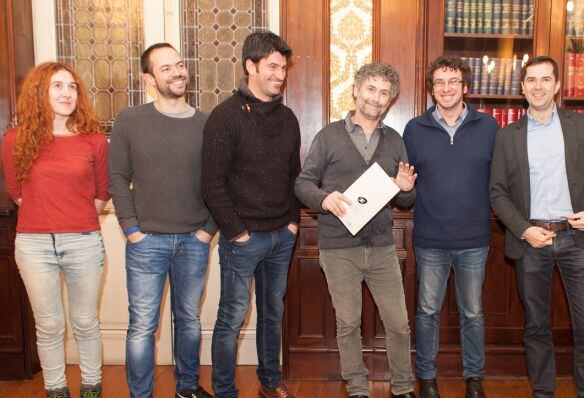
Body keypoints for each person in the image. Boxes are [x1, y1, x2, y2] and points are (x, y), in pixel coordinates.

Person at [489, 55, 584, 398]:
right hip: (532, 241)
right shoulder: (507, 136)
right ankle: (543, 392)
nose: (538, 86)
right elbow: (497, 192)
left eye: (545, 80)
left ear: (557, 86)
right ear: (523, 87)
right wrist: (523, 229)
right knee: (536, 327)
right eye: (531, 80)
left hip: (577, 237)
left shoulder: (580, 126)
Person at [294, 62, 417, 398]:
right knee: (348, 323)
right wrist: (324, 199)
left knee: (398, 324)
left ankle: (403, 388)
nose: (376, 98)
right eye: (371, 89)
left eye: (384, 92)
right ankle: (358, 388)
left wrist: (405, 188)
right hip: (337, 248)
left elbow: (406, 201)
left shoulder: (394, 141)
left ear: (391, 100)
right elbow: (303, 184)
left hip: (381, 247)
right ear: (356, 90)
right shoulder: (328, 136)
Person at [109, 43, 216, 398]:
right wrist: (131, 229)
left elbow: (219, 182)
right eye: (166, 68)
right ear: (149, 78)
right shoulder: (130, 120)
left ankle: (187, 387)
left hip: (193, 241)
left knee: (189, 321)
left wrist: (207, 231)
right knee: (142, 326)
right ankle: (141, 395)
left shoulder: (206, 124)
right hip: (146, 242)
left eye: (180, 64)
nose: (177, 72)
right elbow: (117, 178)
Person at [201, 29, 300, 398]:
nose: (280, 74)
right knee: (231, 318)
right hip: (243, 239)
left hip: (281, 236)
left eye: (284, 67)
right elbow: (212, 184)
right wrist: (237, 233)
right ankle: (225, 391)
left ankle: (270, 383)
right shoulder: (225, 117)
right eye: (272, 66)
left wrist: (291, 224)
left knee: (272, 316)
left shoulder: (288, 119)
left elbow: (294, 176)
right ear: (250, 66)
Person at [2, 62, 109, 398]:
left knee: (86, 323)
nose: (67, 93)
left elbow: (101, 194)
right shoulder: (15, 139)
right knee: (49, 326)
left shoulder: (94, 141)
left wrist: (73, 218)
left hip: (83, 243)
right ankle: (56, 390)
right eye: (58, 86)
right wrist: (51, 215)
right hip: (34, 246)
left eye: (72, 86)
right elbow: (17, 193)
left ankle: (91, 389)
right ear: (39, 92)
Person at [403, 55, 498, 398]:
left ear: (465, 87)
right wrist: (404, 187)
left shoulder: (489, 127)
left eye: (453, 81)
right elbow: (405, 192)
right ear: (431, 90)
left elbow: (498, 183)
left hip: (474, 239)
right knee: (427, 312)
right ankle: (426, 378)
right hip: (430, 239)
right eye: (440, 82)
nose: (446, 88)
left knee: (472, 313)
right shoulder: (414, 129)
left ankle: (474, 378)